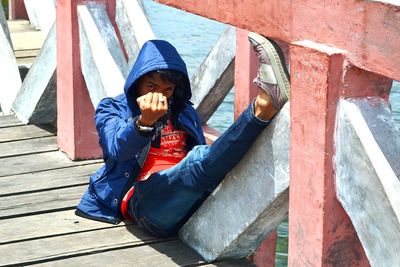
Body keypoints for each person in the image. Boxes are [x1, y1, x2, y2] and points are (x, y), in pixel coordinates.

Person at [75, 32, 290, 237]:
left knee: (214, 161)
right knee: (197, 159)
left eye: (167, 90)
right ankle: (263, 107)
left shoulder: (184, 111)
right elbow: (117, 149)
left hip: (188, 201)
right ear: (136, 82)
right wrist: (144, 122)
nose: (159, 95)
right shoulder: (112, 108)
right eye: (151, 86)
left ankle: (265, 107)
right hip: (144, 204)